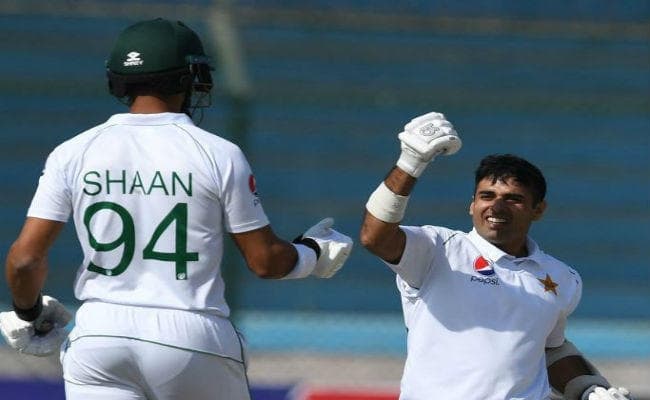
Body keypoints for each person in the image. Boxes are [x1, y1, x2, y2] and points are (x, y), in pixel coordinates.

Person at [0, 18, 352, 400]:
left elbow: (24, 260)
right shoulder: (218, 153)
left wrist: (29, 314)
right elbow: (265, 261)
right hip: (191, 334)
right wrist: (312, 254)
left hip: (99, 336)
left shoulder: (72, 152)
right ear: (190, 77)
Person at [360, 112, 632, 400]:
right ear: (472, 205)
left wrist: (589, 388)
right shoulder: (439, 249)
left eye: (513, 199)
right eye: (487, 196)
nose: (497, 206)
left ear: (538, 210)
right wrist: (410, 162)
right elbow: (374, 237)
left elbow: (548, 349)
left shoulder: (562, 278)